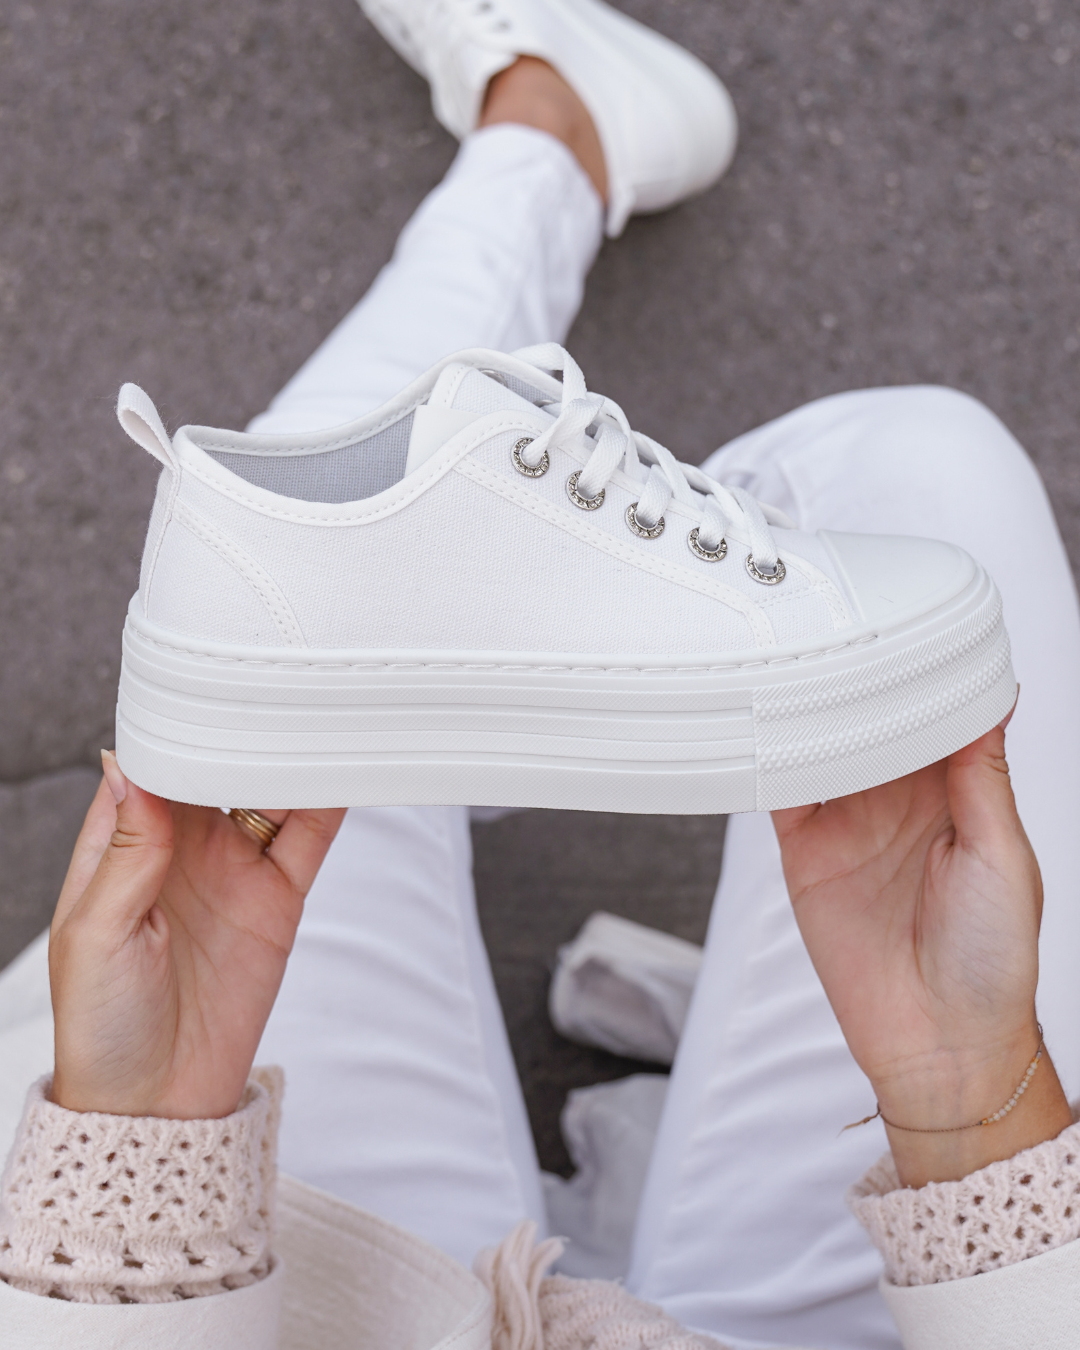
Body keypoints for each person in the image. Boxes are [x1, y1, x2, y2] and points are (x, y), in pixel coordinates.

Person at [3, 1, 1080, 1346]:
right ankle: (530, 681)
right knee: (925, 480)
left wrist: (149, 1153)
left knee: (290, 586)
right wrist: (969, 1094)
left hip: (308, 1310)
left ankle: (549, 133)